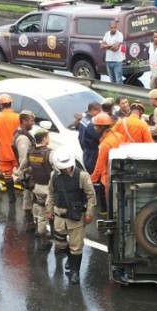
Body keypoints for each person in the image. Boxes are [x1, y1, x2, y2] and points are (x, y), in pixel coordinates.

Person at [46, 151, 97, 284]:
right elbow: (51, 194)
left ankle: (75, 271)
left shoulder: (82, 176)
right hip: (59, 217)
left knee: (76, 246)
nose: (65, 169)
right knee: (60, 244)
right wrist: (49, 210)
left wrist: (89, 213)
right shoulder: (54, 176)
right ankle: (70, 258)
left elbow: (91, 196)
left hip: (76, 217)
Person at [25, 128, 54, 249]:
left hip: (37, 187)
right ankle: (58, 240)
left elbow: (23, 167)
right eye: (48, 136)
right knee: (54, 213)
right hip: (50, 189)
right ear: (44, 138)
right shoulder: (49, 153)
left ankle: (43, 240)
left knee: (41, 213)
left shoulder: (30, 152)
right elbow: (57, 169)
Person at [0, 93, 20, 201]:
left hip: (4, 152)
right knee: (22, 171)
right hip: (17, 152)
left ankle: (11, 197)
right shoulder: (17, 117)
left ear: (1, 105)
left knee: (8, 174)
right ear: (11, 104)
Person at [90, 112, 122, 214]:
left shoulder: (105, 144)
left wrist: (92, 180)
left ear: (102, 127)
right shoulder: (118, 136)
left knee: (111, 205)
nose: (95, 129)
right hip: (120, 173)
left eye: (96, 127)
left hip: (108, 177)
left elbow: (99, 166)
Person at [13, 110, 38, 231]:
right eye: (31, 121)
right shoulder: (23, 139)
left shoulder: (23, 134)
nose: (33, 123)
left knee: (28, 197)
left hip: (27, 173)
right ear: (24, 121)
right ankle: (32, 223)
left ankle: (31, 223)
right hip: (28, 174)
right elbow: (24, 159)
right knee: (31, 198)